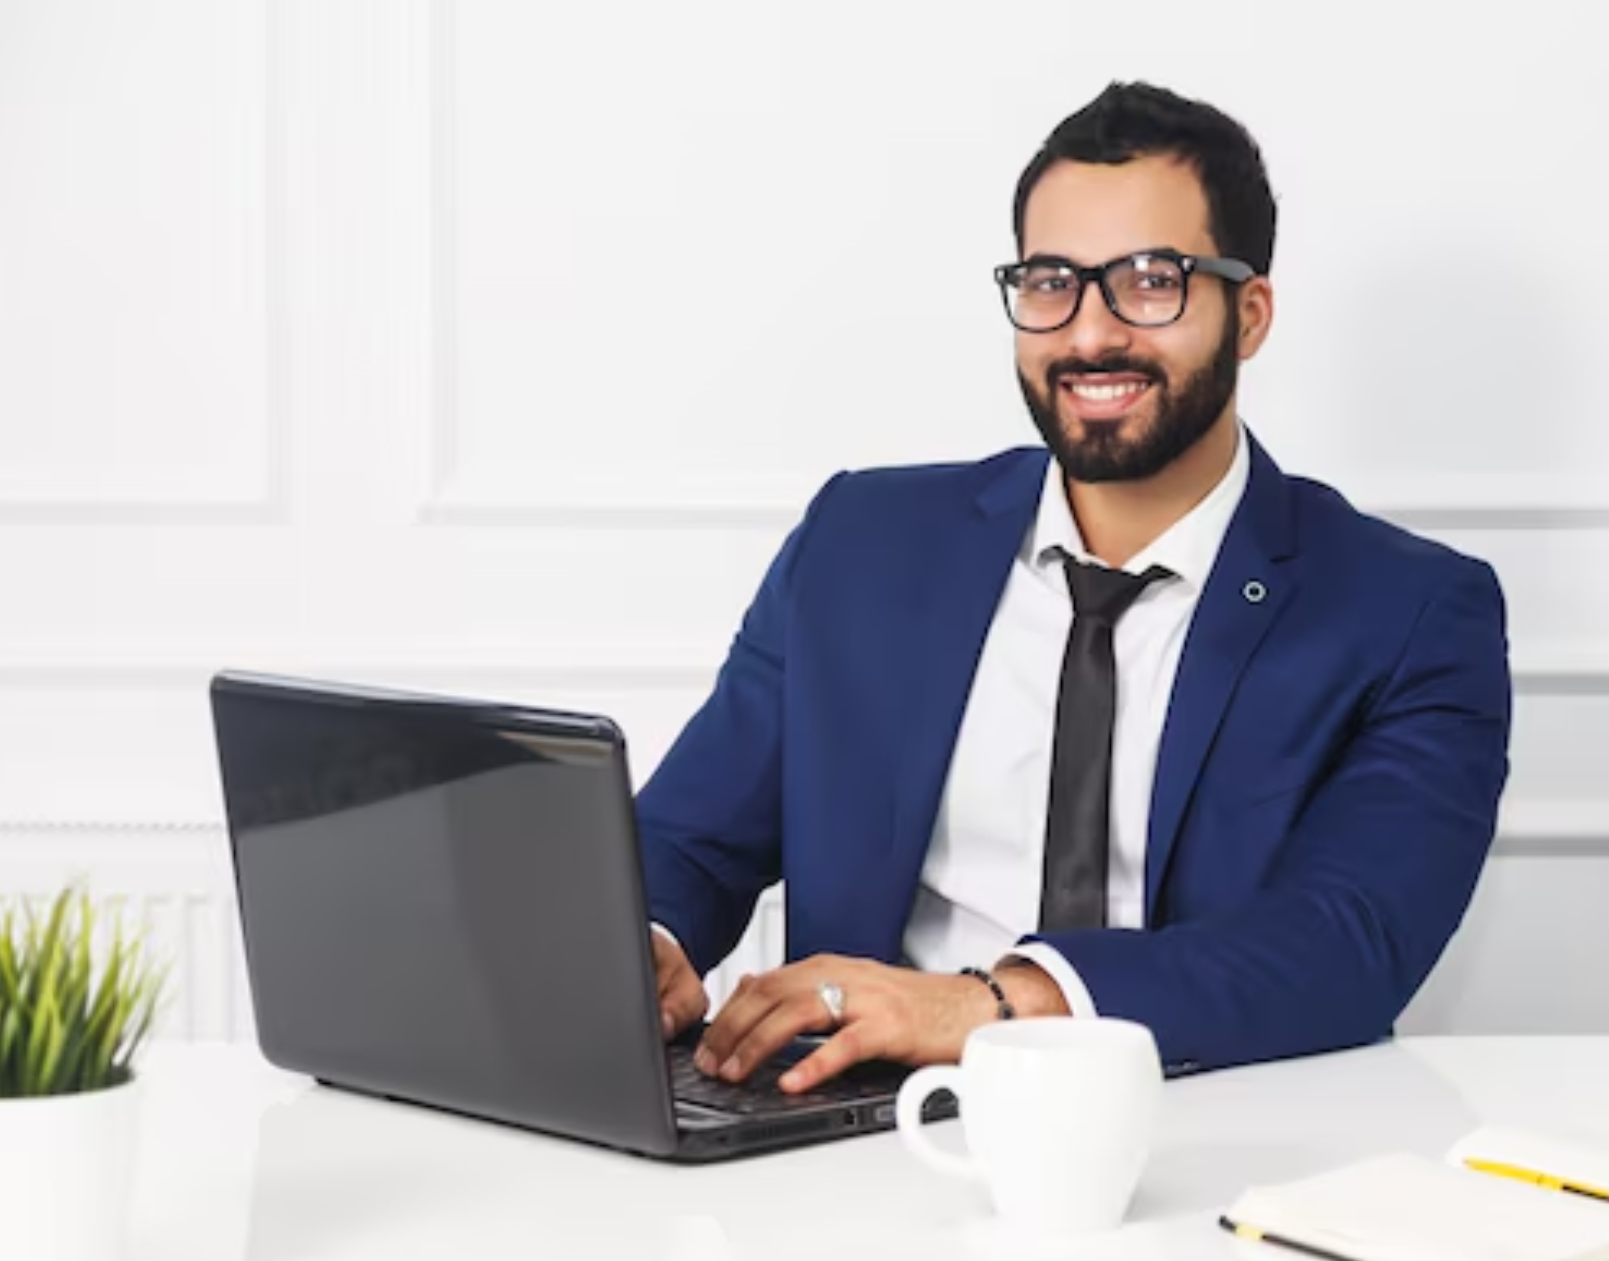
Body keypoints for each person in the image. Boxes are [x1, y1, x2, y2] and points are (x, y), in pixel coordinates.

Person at [637, 81, 1511, 1094]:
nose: (1090, 334)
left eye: (1150, 280)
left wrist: (989, 1003)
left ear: (1251, 312)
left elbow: (1347, 943)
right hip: (850, 1133)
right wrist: (647, 941)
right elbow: (689, 839)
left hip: (1207, 1125)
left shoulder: (1406, 613)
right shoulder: (860, 544)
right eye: (1051, 280)